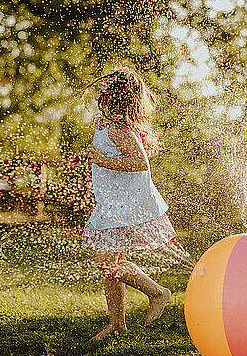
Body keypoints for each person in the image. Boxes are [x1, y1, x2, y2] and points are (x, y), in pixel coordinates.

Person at [81, 66, 177, 341]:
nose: (101, 91)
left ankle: (157, 292)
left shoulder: (118, 129)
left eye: (107, 87)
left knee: (107, 263)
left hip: (125, 207)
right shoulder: (105, 124)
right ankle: (117, 325)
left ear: (114, 96)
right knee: (112, 262)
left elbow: (140, 163)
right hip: (113, 204)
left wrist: (102, 160)